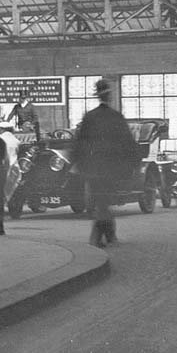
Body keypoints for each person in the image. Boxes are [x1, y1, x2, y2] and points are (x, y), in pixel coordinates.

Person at [72, 79, 140, 248]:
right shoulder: (116, 117)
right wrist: (132, 165)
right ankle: (98, 237)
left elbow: (80, 144)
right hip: (111, 168)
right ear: (109, 96)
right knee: (104, 201)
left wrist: (80, 165)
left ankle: (108, 235)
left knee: (100, 201)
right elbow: (128, 144)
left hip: (92, 168)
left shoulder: (89, 117)